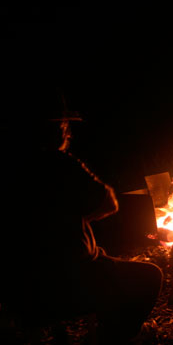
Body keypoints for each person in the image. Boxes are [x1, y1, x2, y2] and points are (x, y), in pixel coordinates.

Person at [2, 103, 163, 344]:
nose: (69, 133)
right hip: (72, 278)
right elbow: (109, 202)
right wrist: (81, 216)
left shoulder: (12, 165)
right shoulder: (58, 163)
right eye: (65, 126)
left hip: (20, 285)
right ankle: (111, 337)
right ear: (52, 128)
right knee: (150, 276)